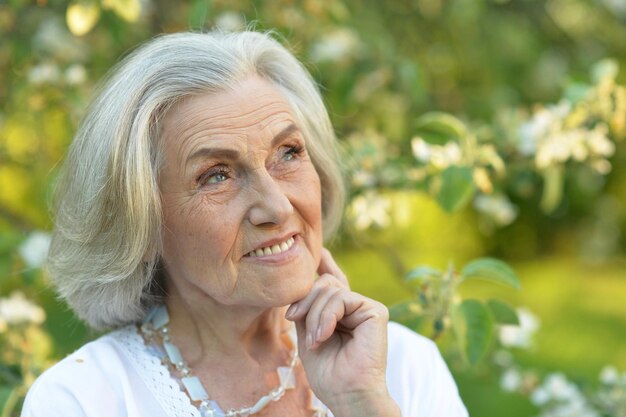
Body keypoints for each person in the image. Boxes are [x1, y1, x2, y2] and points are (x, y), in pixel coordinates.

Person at [22, 30, 468, 417]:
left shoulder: (401, 367)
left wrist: (360, 402)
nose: (275, 206)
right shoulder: (83, 401)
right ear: (141, 224)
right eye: (216, 175)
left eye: (288, 153)